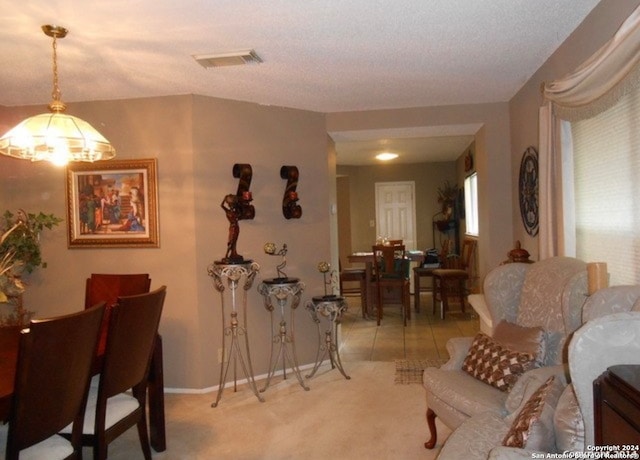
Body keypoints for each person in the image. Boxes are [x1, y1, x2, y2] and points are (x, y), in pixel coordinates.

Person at [221, 194, 242, 261]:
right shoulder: (228, 211)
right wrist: (225, 199)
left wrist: (237, 203)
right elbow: (222, 205)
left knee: (234, 241)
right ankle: (227, 255)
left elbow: (240, 213)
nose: (232, 206)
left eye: (233, 205)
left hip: (236, 227)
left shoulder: (236, 212)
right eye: (231, 205)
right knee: (231, 241)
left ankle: (234, 253)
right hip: (232, 227)